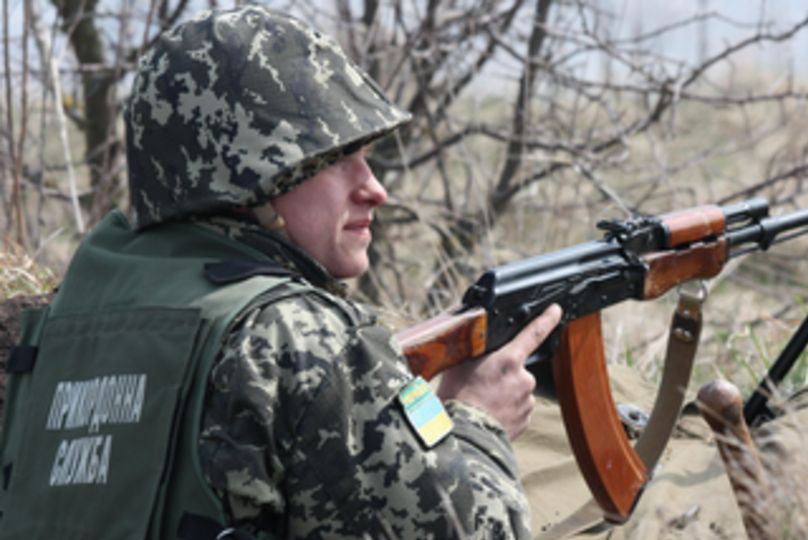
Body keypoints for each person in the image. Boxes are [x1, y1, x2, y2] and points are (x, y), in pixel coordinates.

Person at [0, 6, 561, 540]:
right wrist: (478, 423)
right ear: (252, 181)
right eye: (338, 158)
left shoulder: (60, 328)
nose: (374, 188)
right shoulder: (302, 337)